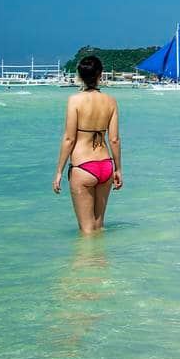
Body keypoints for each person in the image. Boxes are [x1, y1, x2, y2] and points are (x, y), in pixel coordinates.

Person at [52, 55, 121, 234]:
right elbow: (114, 139)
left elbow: (69, 138)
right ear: (100, 74)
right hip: (106, 165)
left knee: (86, 232)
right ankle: (101, 261)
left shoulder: (74, 100)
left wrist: (59, 171)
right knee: (98, 228)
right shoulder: (111, 101)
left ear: (79, 75)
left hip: (83, 167)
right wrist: (118, 169)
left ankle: (86, 261)